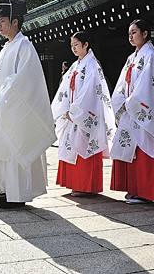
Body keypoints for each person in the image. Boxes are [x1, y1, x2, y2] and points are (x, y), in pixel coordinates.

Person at [0, 0, 56, 209]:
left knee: (16, 149)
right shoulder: (6, 48)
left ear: (15, 22)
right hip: (4, 106)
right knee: (0, 149)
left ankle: (18, 193)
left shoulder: (25, 46)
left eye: (3, 21)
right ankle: (4, 189)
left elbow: (26, 79)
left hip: (16, 108)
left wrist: (3, 94)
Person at [110, 19, 154, 204]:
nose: (131, 36)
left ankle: (146, 191)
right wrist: (120, 100)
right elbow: (122, 84)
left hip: (145, 109)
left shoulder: (150, 55)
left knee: (145, 149)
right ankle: (135, 189)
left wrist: (132, 102)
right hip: (131, 109)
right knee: (131, 150)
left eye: (134, 32)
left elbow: (150, 86)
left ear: (145, 34)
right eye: (129, 33)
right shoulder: (132, 58)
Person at [52, 31, 116, 196]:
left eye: (76, 45)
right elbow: (65, 89)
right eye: (72, 46)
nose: (73, 48)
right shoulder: (76, 65)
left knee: (85, 147)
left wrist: (74, 111)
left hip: (87, 114)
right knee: (73, 147)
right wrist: (64, 108)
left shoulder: (92, 65)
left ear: (86, 44)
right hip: (74, 113)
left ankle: (86, 186)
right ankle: (75, 183)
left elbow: (89, 92)